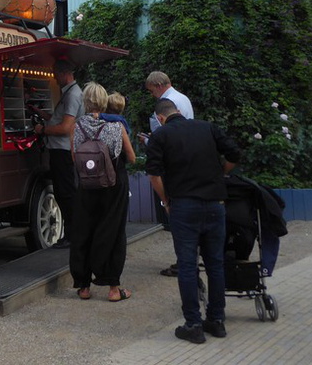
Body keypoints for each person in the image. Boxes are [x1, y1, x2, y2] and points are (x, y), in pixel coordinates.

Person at [146, 98, 242, 344]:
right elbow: (235, 153)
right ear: (178, 111)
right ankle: (217, 321)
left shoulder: (160, 136)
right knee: (215, 264)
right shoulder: (207, 127)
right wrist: (223, 173)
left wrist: (166, 200)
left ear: (160, 118)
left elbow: (154, 175)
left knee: (188, 266)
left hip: (184, 207)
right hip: (215, 204)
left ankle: (194, 324)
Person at [69, 82, 136, 302]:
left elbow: (73, 157)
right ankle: (114, 289)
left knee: (84, 231)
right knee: (113, 233)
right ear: (104, 101)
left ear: (85, 102)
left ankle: (84, 287)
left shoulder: (77, 127)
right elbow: (132, 157)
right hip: (113, 186)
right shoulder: (116, 126)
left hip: (87, 186)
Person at [143, 70, 194, 277]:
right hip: (187, 160)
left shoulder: (167, 103)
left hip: (172, 164)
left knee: (177, 215)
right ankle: (188, 258)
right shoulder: (183, 98)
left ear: (158, 85)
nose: (152, 95)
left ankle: (184, 261)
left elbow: (164, 138)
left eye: (151, 91)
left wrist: (149, 141)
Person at [32, 58, 82, 248]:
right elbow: (59, 120)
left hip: (63, 150)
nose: (54, 77)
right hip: (62, 149)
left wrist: (42, 130)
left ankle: (71, 235)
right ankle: (72, 233)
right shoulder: (71, 93)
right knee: (65, 193)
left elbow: (65, 127)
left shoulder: (71, 95)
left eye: (55, 73)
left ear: (63, 74)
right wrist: (44, 115)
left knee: (66, 194)